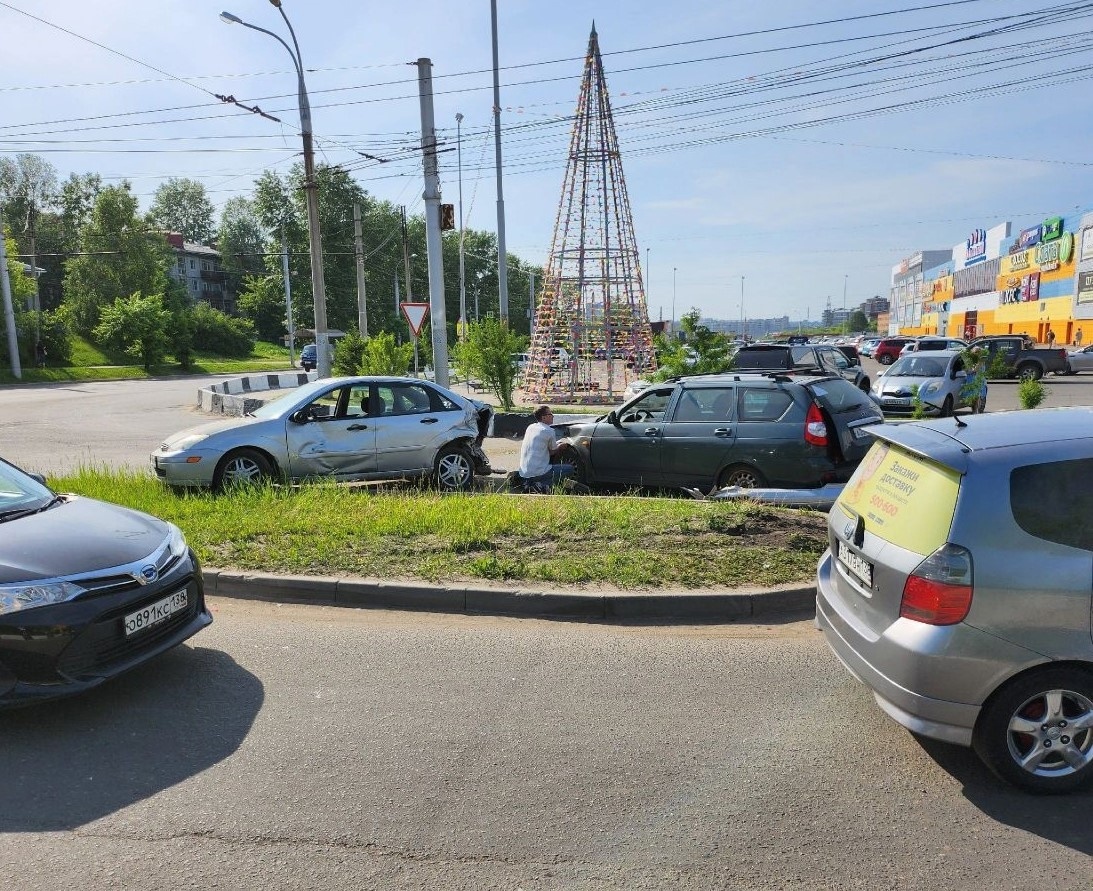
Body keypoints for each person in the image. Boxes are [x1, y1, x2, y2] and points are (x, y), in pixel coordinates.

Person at [518, 405, 574, 492]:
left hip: (524, 472)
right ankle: (541, 486)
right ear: (543, 417)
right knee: (569, 469)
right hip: (538, 472)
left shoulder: (531, 427)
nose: (553, 416)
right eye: (550, 414)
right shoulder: (549, 431)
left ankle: (529, 483)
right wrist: (560, 446)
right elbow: (552, 452)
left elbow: (541, 444)